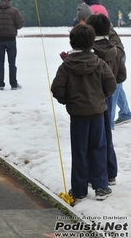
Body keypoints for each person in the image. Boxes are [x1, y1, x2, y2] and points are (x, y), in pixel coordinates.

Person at [51, 24, 117, 204]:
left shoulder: (66, 66)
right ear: (91, 43)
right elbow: (111, 85)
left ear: (72, 42)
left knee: (79, 150)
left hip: (78, 115)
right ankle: (101, 186)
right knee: (98, 148)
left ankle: (79, 189)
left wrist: (68, 100)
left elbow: (57, 89)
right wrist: (100, 98)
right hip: (97, 113)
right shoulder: (100, 63)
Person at [86, 14, 126, 187]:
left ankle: (96, 174)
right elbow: (121, 76)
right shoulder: (114, 49)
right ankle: (111, 173)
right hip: (108, 97)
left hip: (92, 98)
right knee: (106, 135)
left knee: (93, 138)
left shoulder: (90, 52)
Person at [77, 2, 131, 129]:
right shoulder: (87, 29)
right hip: (107, 61)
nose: (81, 23)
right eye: (80, 20)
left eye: (83, 20)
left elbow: (114, 48)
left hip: (116, 59)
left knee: (113, 90)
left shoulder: (102, 28)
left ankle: (109, 124)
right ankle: (125, 113)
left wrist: (107, 55)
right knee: (116, 88)